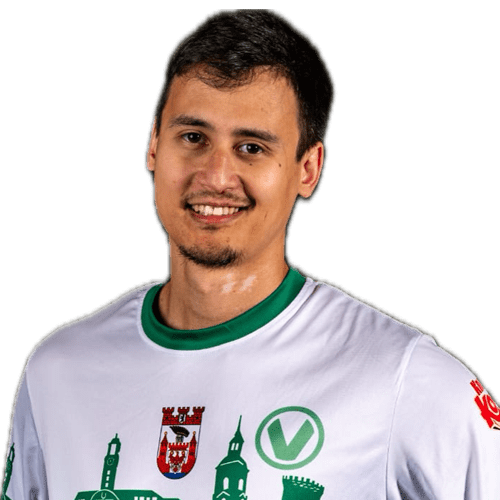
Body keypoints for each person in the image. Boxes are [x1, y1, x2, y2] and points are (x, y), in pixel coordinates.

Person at [2, 9, 499, 500]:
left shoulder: (406, 380)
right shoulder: (57, 375)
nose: (216, 176)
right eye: (193, 138)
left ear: (308, 169)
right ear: (153, 144)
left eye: (252, 147)